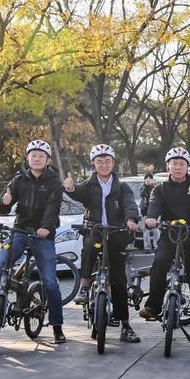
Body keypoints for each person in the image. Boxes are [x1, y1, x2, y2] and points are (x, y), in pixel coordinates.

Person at [0, 140, 67, 344]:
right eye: (33, 155)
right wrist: (4, 203)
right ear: (27, 158)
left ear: (48, 160)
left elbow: (53, 208)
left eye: (41, 155)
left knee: (50, 282)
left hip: (43, 235)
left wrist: (45, 227)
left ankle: (57, 326)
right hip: (19, 231)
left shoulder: (54, 182)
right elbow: (4, 206)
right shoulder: (18, 180)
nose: (37, 158)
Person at [63, 145, 142, 344]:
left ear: (113, 163)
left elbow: (130, 204)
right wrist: (70, 188)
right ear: (94, 164)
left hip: (116, 233)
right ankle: (84, 285)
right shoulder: (89, 185)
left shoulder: (121, 187)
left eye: (107, 161)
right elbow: (77, 193)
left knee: (119, 281)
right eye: (99, 161)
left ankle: (125, 325)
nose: (104, 164)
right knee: (89, 246)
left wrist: (131, 220)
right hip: (95, 230)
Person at [140, 148, 190, 346]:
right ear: (168, 166)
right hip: (169, 234)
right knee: (159, 264)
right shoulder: (160, 188)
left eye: (182, 163)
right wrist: (150, 218)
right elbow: (154, 206)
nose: (178, 167)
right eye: (174, 163)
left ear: (187, 166)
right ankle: (153, 306)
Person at [139, 173, 160, 252]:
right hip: (145, 211)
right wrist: (145, 186)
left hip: (155, 211)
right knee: (146, 231)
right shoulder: (143, 188)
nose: (148, 181)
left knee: (156, 230)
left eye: (150, 179)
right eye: (147, 179)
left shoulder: (155, 187)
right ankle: (147, 247)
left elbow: (156, 196)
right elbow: (141, 195)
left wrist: (152, 185)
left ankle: (156, 246)